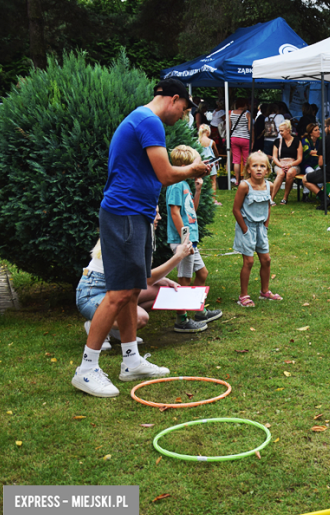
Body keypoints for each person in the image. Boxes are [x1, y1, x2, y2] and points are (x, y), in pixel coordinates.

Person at [71, 77, 210, 398]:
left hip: (137, 215)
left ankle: (131, 359)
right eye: (185, 110)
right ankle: (87, 369)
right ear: (174, 99)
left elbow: (150, 174)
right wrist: (193, 170)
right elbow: (165, 174)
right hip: (125, 214)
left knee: (132, 290)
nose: (184, 117)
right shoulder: (149, 121)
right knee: (119, 293)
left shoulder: (142, 120)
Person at [77, 207, 194, 349]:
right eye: (155, 213)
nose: (159, 218)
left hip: (114, 289)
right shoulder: (127, 236)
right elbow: (146, 280)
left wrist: (161, 280)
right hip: (92, 292)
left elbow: (138, 274)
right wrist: (178, 257)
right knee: (140, 318)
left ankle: (115, 328)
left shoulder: (139, 233)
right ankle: (98, 324)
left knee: (162, 291)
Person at [166, 145, 223, 333]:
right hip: (183, 240)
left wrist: (197, 190)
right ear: (185, 165)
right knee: (184, 279)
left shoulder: (185, 185)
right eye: (195, 164)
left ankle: (199, 310)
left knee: (202, 274)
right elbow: (174, 213)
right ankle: (181, 320)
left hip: (190, 240)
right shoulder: (175, 185)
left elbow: (191, 212)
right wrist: (184, 240)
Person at [232, 151, 281, 307]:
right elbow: (236, 209)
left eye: (262, 166)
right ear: (248, 169)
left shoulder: (270, 186)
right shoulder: (244, 186)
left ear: (267, 170)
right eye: (255, 166)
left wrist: (266, 226)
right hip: (246, 227)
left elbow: (268, 205)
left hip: (261, 228)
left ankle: (264, 292)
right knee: (249, 261)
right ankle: (243, 296)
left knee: (266, 260)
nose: (259, 169)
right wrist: (245, 229)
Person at [270, 120, 303, 205]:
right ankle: (271, 198)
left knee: (290, 172)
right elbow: (274, 157)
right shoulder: (277, 142)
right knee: (281, 173)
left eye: (282, 131)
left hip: (293, 164)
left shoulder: (297, 141)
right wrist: (281, 165)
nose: (280, 133)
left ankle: (285, 198)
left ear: (288, 130)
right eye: (279, 130)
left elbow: (299, 159)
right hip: (280, 163)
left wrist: (290, 165)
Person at [229, 98, 252, 187]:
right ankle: (246, 179)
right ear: (245, 104)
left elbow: (230, 127)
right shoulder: (247, 114)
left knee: (236, 160)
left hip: (234, 138)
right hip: (245, 138)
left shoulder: (231, 113)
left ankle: (237, 180)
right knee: (246, 160)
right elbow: (249, 128)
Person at [198, 124, 221, 206]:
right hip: (211, 163)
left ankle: (201, 197)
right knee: (213, 181)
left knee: (201, 180)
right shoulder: (211, 142)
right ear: (208, 131)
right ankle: (213, 200)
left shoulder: (197, 141)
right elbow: (216, 153)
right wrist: (217, 159)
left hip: (201, 162)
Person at [300, 123, 321, 201]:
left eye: (319, 129)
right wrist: (319, 152)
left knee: (321, 173)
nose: (318, 131)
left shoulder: (320, 140)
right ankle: (305, 194)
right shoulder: (305, 140)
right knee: (311, 174)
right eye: (316, 130)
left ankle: (319, 193)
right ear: (310, 132)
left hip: (316, 163)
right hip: (306, 164)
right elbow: (308, 151)